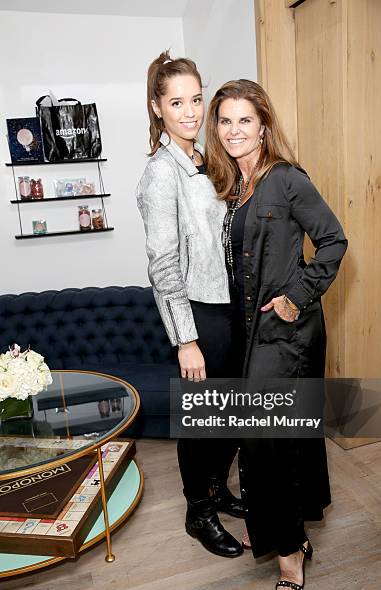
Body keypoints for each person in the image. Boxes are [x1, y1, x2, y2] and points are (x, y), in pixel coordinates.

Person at [205, 79, 347, 590]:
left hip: (285, 332)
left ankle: (288, 555)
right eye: (225, 120)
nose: (234, 130)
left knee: (265, 443)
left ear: (264, 126)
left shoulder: (286, 179)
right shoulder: (235, 185)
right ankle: (289, 530)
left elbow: (334, 240)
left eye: (245, 120)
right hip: (250, 332)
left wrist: (297, 295)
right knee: (280, 438)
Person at [136, 52, 245, 558]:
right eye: (177, 102)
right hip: (197, 315)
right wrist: (186, 339)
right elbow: (162, 265)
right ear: (158, 108)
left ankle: (218, 490)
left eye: (197, 99)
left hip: (228, 308)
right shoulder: (162, 172)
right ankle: (197, 513)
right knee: (202, 425)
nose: (191, 111)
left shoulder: (204, 158)